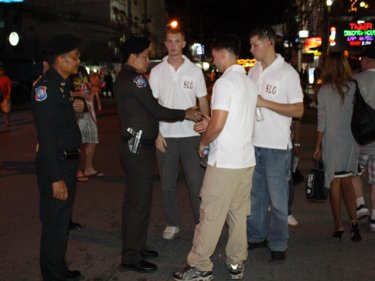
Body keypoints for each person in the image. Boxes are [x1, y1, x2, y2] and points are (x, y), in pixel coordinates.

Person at [114, 36, 202, 273]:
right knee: (138, 202)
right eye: (144, 56)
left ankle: (137, 247)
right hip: (136, 147)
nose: (147, 61)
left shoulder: (127, 78)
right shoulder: (135, 79)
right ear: (134, 57)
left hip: (137, 145)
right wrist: (185, 113)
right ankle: (131, 257)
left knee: (138, 200)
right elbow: (155, 109)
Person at [173, 34, 257, 281]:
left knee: (210, 214)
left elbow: (219, 124)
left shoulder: (224, 83)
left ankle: (200, 266)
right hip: (245, 160)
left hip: (225, 162)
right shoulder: (249, 83)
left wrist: (204, 141)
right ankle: (236, 262)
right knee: (238, 214)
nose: (214, 61)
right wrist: (210, 124)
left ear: (222, 54)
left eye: (215, 56)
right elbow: (234, 120)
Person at [246, 26, 304, 261]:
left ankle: (278, 243)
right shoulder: (253, 71)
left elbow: (299, 110)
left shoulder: (287, 73)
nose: (251, 50)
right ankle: (256, 236)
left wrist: (266, 103)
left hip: (277, 146)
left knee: (278, 197)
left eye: (254, 45)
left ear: (269, 42)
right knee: (256, 196)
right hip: (253, 143)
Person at [149, 27, 209, 240]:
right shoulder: (157, 72)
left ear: (184, 43)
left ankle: (201, 223)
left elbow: (202, 101)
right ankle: (172, 222)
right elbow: (152, 105)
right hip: (166, 135)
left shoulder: (194, 70)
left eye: (177, 41)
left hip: (191, 135)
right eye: (169, 41)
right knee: (167, 184)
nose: (173, 45)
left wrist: (206, 129)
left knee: (196, 184)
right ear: (164, 44)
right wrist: (156, 133)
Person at [32, 34, 83, 281]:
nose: (78, 61)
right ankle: (52, 275)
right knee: (54, 225)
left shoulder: (61, 85)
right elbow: (47, 137)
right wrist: (55, 179)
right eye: (75, 57)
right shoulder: (45, 89)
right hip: (57, 167)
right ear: (61, 60)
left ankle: (58, 269)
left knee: (61, 223)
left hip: (67, 163)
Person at [312, 52, 361, 241]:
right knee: (347, 180)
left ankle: (339, 225)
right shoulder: (353, 88)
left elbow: (321, 122)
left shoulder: (324, 91)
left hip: (331, 142)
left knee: (334, 182)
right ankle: (354, 223)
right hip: (349, 140)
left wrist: (317, 146)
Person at [352, 46, 375, 231]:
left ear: (367, 61)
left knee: (353, 172)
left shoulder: (355, 80)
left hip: (359, 139)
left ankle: (360, 204)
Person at [71, 66, 103, 181]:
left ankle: (89, 168)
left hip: (87, 109)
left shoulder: (82, 70)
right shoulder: (67, 72)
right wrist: (79, 93)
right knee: (75, 141)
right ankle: (76, 170)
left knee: (92, 138)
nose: (77, 60)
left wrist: (92, 91)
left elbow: (87, 88)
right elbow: (64, 92)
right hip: (74, 111)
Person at [288, 117, 301, 226]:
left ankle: (287, 210)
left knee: (288, 178)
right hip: (262, 142)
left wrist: (297, 143)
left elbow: (297, 121)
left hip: (287, 143)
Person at [0, 64, 12, 128]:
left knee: (7, 111)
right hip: (0, 97)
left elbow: (9, 87)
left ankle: (7, 122)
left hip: (5, 97)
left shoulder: (6, 78)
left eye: (0, 71)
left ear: (3, 71)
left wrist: (8, 95)